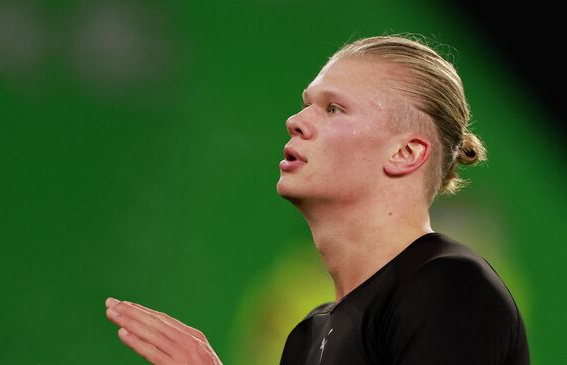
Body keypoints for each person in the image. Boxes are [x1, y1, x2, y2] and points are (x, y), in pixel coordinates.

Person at [105, 34, 531, 364]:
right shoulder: (308, 336)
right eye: (306, 104)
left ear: (406, 153)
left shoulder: (452, 289)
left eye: (334, 109)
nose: (295, 121)